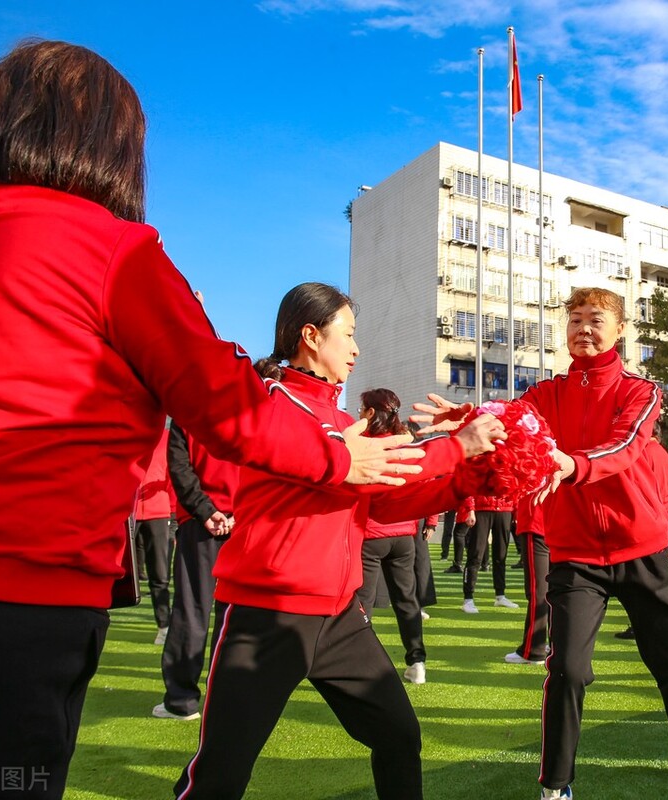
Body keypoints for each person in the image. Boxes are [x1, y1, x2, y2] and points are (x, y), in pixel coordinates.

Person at [0, 41, 423, 799]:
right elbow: (225, 410)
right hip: (16, 593)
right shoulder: (110, 250)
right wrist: (340, 460)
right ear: (103, 143)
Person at [172, 283, 504, 799]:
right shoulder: (272, 402)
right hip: (269, 613)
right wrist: (457, 446)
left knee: (399, 736)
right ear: (311, 335)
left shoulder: (345, 421)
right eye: (348, 335)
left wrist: (468, 478)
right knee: (220, 773)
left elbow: (381, 501)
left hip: (341, 617)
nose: (356, 348)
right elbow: (359, 472)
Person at [415, 287, 668, 798]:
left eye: (596, 320)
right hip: (574, 554)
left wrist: (573, 463)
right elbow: (508, 422)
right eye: (574, 320)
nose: (583, 329)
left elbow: (628, 441)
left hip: (643, 548)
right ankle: (556, 785)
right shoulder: (546, 395)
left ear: (620, 331)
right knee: (566, 669)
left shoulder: (642, 390)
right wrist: (464, 421)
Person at [153, 423, 239, 721]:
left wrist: (205, 510)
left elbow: (179, 468)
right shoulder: (252, 406)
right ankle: (225, 698)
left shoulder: (188, 414)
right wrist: (234, 512)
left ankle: (181, 700)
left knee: (192, 609)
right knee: (233, 613)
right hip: (238, 520)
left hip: (201, 522)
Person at [355, 388, 431, 684]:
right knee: (406, 600)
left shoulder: (363, 445)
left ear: (372, 413)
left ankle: (363, 666)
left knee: (363, 602)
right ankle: (417, 662)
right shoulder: (407, 444)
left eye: (363, 409)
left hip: (372, 534)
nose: (360, 414)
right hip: (403, 535)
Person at [136, 426, 177, 644]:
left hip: (158, 512)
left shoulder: (167, 437)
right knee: (115, 570)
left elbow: (173, 473)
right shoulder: (129, 431)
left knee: (159, 575)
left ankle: (164, 625)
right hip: (128, 511)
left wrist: (171, 510)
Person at [506, 495, 550, 665]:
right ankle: (557, 645)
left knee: (537, 590)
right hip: (558, 521)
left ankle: (534, 649)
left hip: (536, 520)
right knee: (556, 589)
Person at [458, 493, 519, 613]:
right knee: (475, 555)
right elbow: (470, 486)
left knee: (501, 556)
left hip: (505, 508)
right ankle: (468, 598)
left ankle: (500, 595)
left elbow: (515, 486)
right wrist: (470, 510)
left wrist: (516, 510)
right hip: (482, 508)